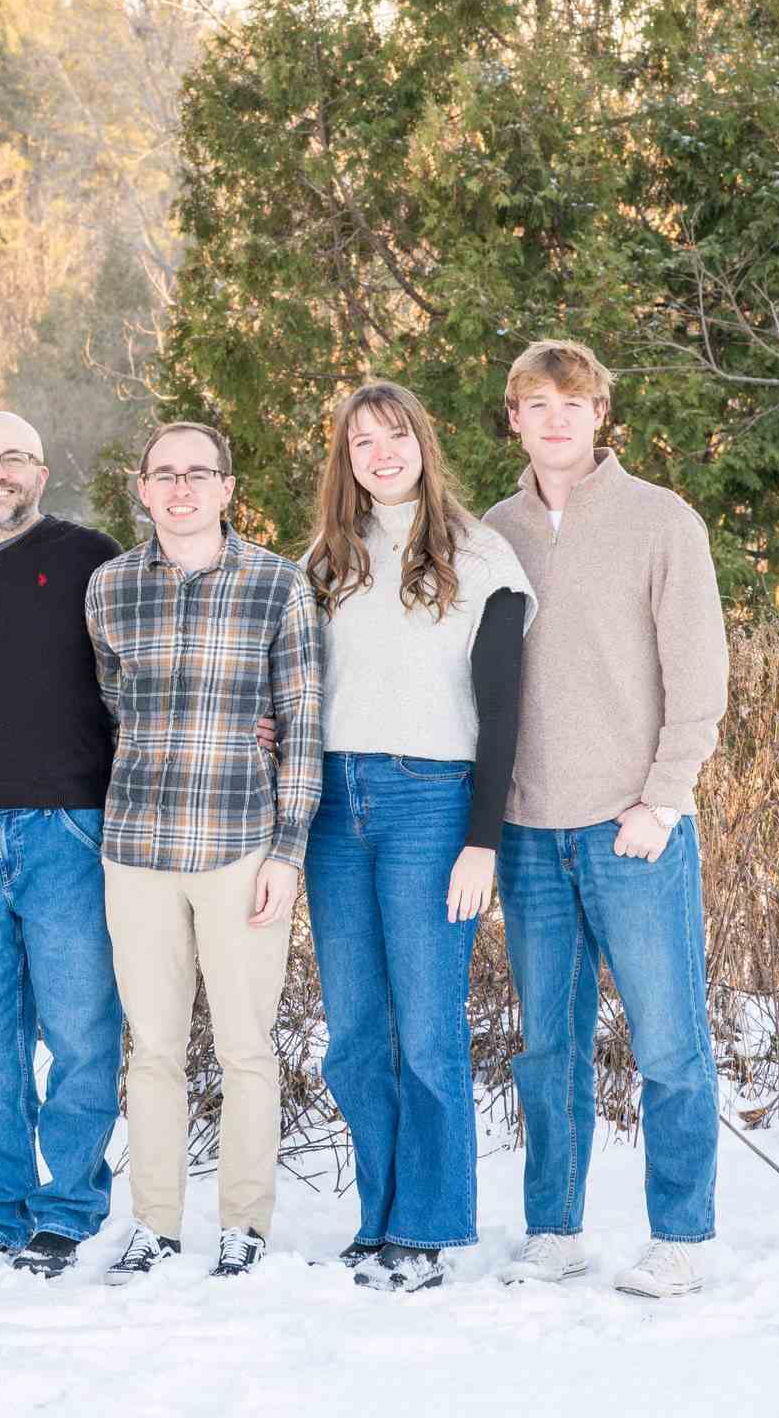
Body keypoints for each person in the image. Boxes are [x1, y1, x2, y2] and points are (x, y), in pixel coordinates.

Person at [482, 340, 729, 1299]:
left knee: (668, 1039)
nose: (556, 418)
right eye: (537, 403)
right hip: (530, 831)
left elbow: (699, 678)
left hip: (633, 826)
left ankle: (684, 1236)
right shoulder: (491, 531)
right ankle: (555, 1231)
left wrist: (662, 801)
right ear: (514, 417)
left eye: (573, 403)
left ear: (600, 416)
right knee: (547, 1046)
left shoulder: (660, 521)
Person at [301, 382, 533, 1293]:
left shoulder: (483, 558)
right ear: (345, 459)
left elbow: (503, 710)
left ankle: (429, 1225)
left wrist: (485, 842)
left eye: (396, 436)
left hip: (431, 804)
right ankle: (381, 1214)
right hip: (333, 809)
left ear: (423, 445)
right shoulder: (325, 561)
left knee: (429, 1025)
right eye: (363, 442)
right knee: (355, 1030)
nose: (382, 453)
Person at [85, 419, 322, 1284]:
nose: (180, 488)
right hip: (137, 847)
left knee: (246, 1047)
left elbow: (303, 727)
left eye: (198, 473)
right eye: (164, 474)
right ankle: (154, 1222)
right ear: (141, 489)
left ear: (227, 488)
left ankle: (244, 1226)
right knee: (150, 1048)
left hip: (238, 851)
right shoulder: (109, 589)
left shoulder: (277, 586)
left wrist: (286, 852)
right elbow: (117, 704)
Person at [0, 410, 124, 1279]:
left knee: (80, 1031)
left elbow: (142, 671)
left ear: (41, 473)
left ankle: (69, 1206)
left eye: (14, 458)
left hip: (67, 828)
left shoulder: (91, 556)